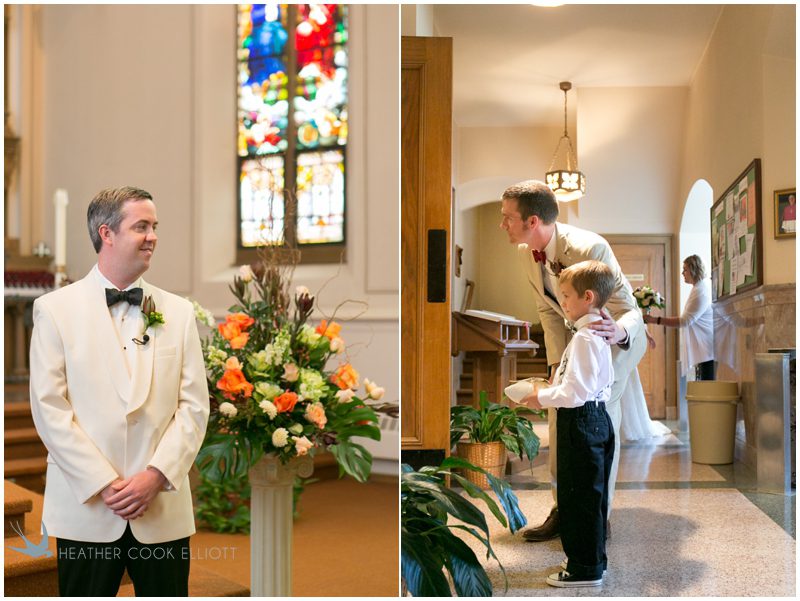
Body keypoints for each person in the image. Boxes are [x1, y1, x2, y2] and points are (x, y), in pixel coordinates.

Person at [29, 186, 210, 596]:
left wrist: (156, 475)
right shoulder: (55, 310)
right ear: (107, 233)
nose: (153, 236)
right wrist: (103, 482)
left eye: (154, 226)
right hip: (88, 507)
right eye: (141, 226)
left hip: (160, 505)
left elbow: (194, 407)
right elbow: (49, 407)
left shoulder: (179, 312)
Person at [500, 179, 646, 542]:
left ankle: (598, 515)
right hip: (573, 343)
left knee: (597, 424)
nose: (503, 224)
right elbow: (547, 312)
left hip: (611, 344)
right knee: (559, 417)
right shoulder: (526, 253)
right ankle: (563, 509)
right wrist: (556, 368)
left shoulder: (591, 247)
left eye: (507, 217)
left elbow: (629, 308)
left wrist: (619, 332)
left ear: (532, 221)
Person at [524, 260, 615, 588]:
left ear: (587, 297)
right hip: (595, 418)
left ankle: (584, 569)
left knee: (577, 497)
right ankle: (593, 560)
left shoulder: (585, 339)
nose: (561, 301)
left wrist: (541, 397)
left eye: (565, 295)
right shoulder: (594, 335)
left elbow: (575, 393)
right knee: (592, 496)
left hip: (580, 420)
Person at [643, 254, 714, 380]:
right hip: (703, 348)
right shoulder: (698, 288)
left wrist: (654, 320)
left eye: (685, 269)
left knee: (706, 384)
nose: (682, 273)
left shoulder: (701, 291)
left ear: (694, 269)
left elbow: (685, 321)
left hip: (706, 349)